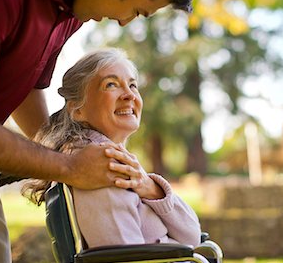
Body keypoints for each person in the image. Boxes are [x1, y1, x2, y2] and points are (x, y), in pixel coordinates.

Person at [0, 0, 196, 262]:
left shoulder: (72, 11)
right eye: (138, 11)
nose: (124, 22)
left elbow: (24, 83)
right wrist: (68, 166)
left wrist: (65, 148)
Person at [23, 48, 201, 248]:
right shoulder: (102, 163)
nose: (129, 95)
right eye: (111, 84)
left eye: (133, 85)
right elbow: (124, 258)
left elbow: (193, 236)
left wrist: (151, 188)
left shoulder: (116, 161)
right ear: (78, 110)